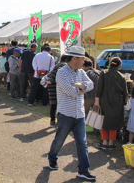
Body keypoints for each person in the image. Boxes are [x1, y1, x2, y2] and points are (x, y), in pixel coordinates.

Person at [47, 46, 96, 181]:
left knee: (82, 143)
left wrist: (79, 86)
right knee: (59, 140)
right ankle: (52, 157)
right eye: (82, 59)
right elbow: (70, 91)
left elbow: (91, 84)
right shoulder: (62, 73)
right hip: (65, 114)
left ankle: (83, 170)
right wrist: (81, 88)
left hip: (79, 114)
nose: (84, 62)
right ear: (74, 58)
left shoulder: (80, 72)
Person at [95, 57, 128, 150]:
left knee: (103, 121)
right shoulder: (122, 76)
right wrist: (125, 102)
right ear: (119, 65)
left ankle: (104, 142)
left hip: (104, 100)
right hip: (117, 101)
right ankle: (111, 142)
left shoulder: (104, 73)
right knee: (113, 122)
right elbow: (125, 92)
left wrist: (97, 100)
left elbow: (99, 88)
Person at [45, 55, 67, 127]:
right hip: (56, 86)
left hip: (51, 86)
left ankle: (52, 121)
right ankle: (58, 121)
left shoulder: (57, 64)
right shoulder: (64, 65)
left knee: (53, 104)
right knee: (59, 105)